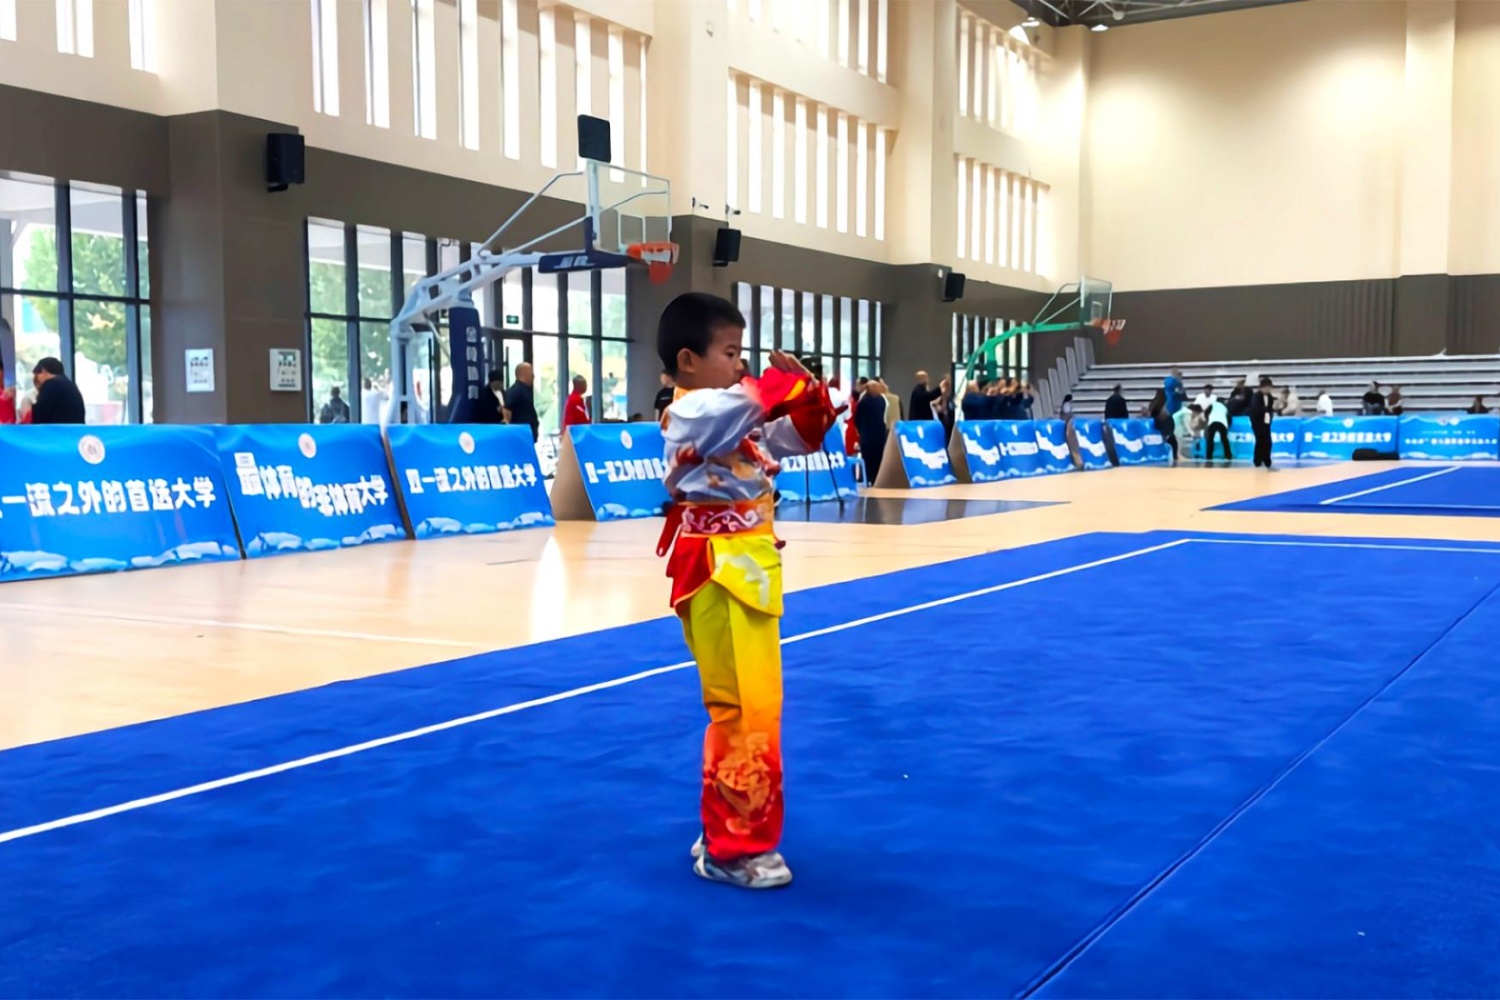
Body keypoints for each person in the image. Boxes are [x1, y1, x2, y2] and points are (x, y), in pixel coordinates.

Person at [654, 292, 835, 890]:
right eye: (730, 353)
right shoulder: (692, 413)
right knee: (743, 710)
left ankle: (725, 829)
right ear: (688, 360)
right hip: (718, 568)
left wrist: (810, 397)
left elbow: (794, 437)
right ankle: (733, 847)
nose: (740, 364)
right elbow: (745, 402)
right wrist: (784, 382)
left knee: (751, 706)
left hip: (746, 568)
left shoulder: (728, 419)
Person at [855, 378, 890, 484]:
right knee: (878, 456)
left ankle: (867, 478)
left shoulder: (863, 400)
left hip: (866, 433)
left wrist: (860, 430)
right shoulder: (882, 400)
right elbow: (885, 416)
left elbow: (857, 417)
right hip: (879, 433)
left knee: (867, 457)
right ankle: (875, 478)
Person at [30, 357, 86, 425]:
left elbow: (40, 415)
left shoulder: (51, 385)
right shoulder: (68, 384)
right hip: (74, 429)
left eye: (37, 374)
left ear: (43, 371)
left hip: (58, 429)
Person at [504, 363, 539, 441]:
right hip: (520, 436)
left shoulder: (525, 390)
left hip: (526, 436)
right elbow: (506, 408)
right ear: (523, 373)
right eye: (531, 373)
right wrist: (508, 427)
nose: (533, 376)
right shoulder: (516, 390)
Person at [1250, 376, 1276, 468]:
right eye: (1266, 387)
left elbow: (1270, 409)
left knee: (1268, 441)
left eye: (1269, 387)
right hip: (1257, 422)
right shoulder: (1256, 396)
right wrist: (1266, 410)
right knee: (1260, 440)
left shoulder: (1270, 397)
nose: (1268, 389)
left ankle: (1266, 459)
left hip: (1266, 422)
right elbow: (1256, 409)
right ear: (1261, 387)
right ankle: (1257, 460)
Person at [1203, 394, 1231, 462]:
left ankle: (1209, 456)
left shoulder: (1212, 404)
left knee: (1210, 439)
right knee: (1224, 439)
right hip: (1222, 422)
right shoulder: (1225, 406)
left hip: (1212, 422)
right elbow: (1229, 417)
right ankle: (1228, 456)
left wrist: (1208, 419)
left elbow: (1206, 412)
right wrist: (1228, 425)